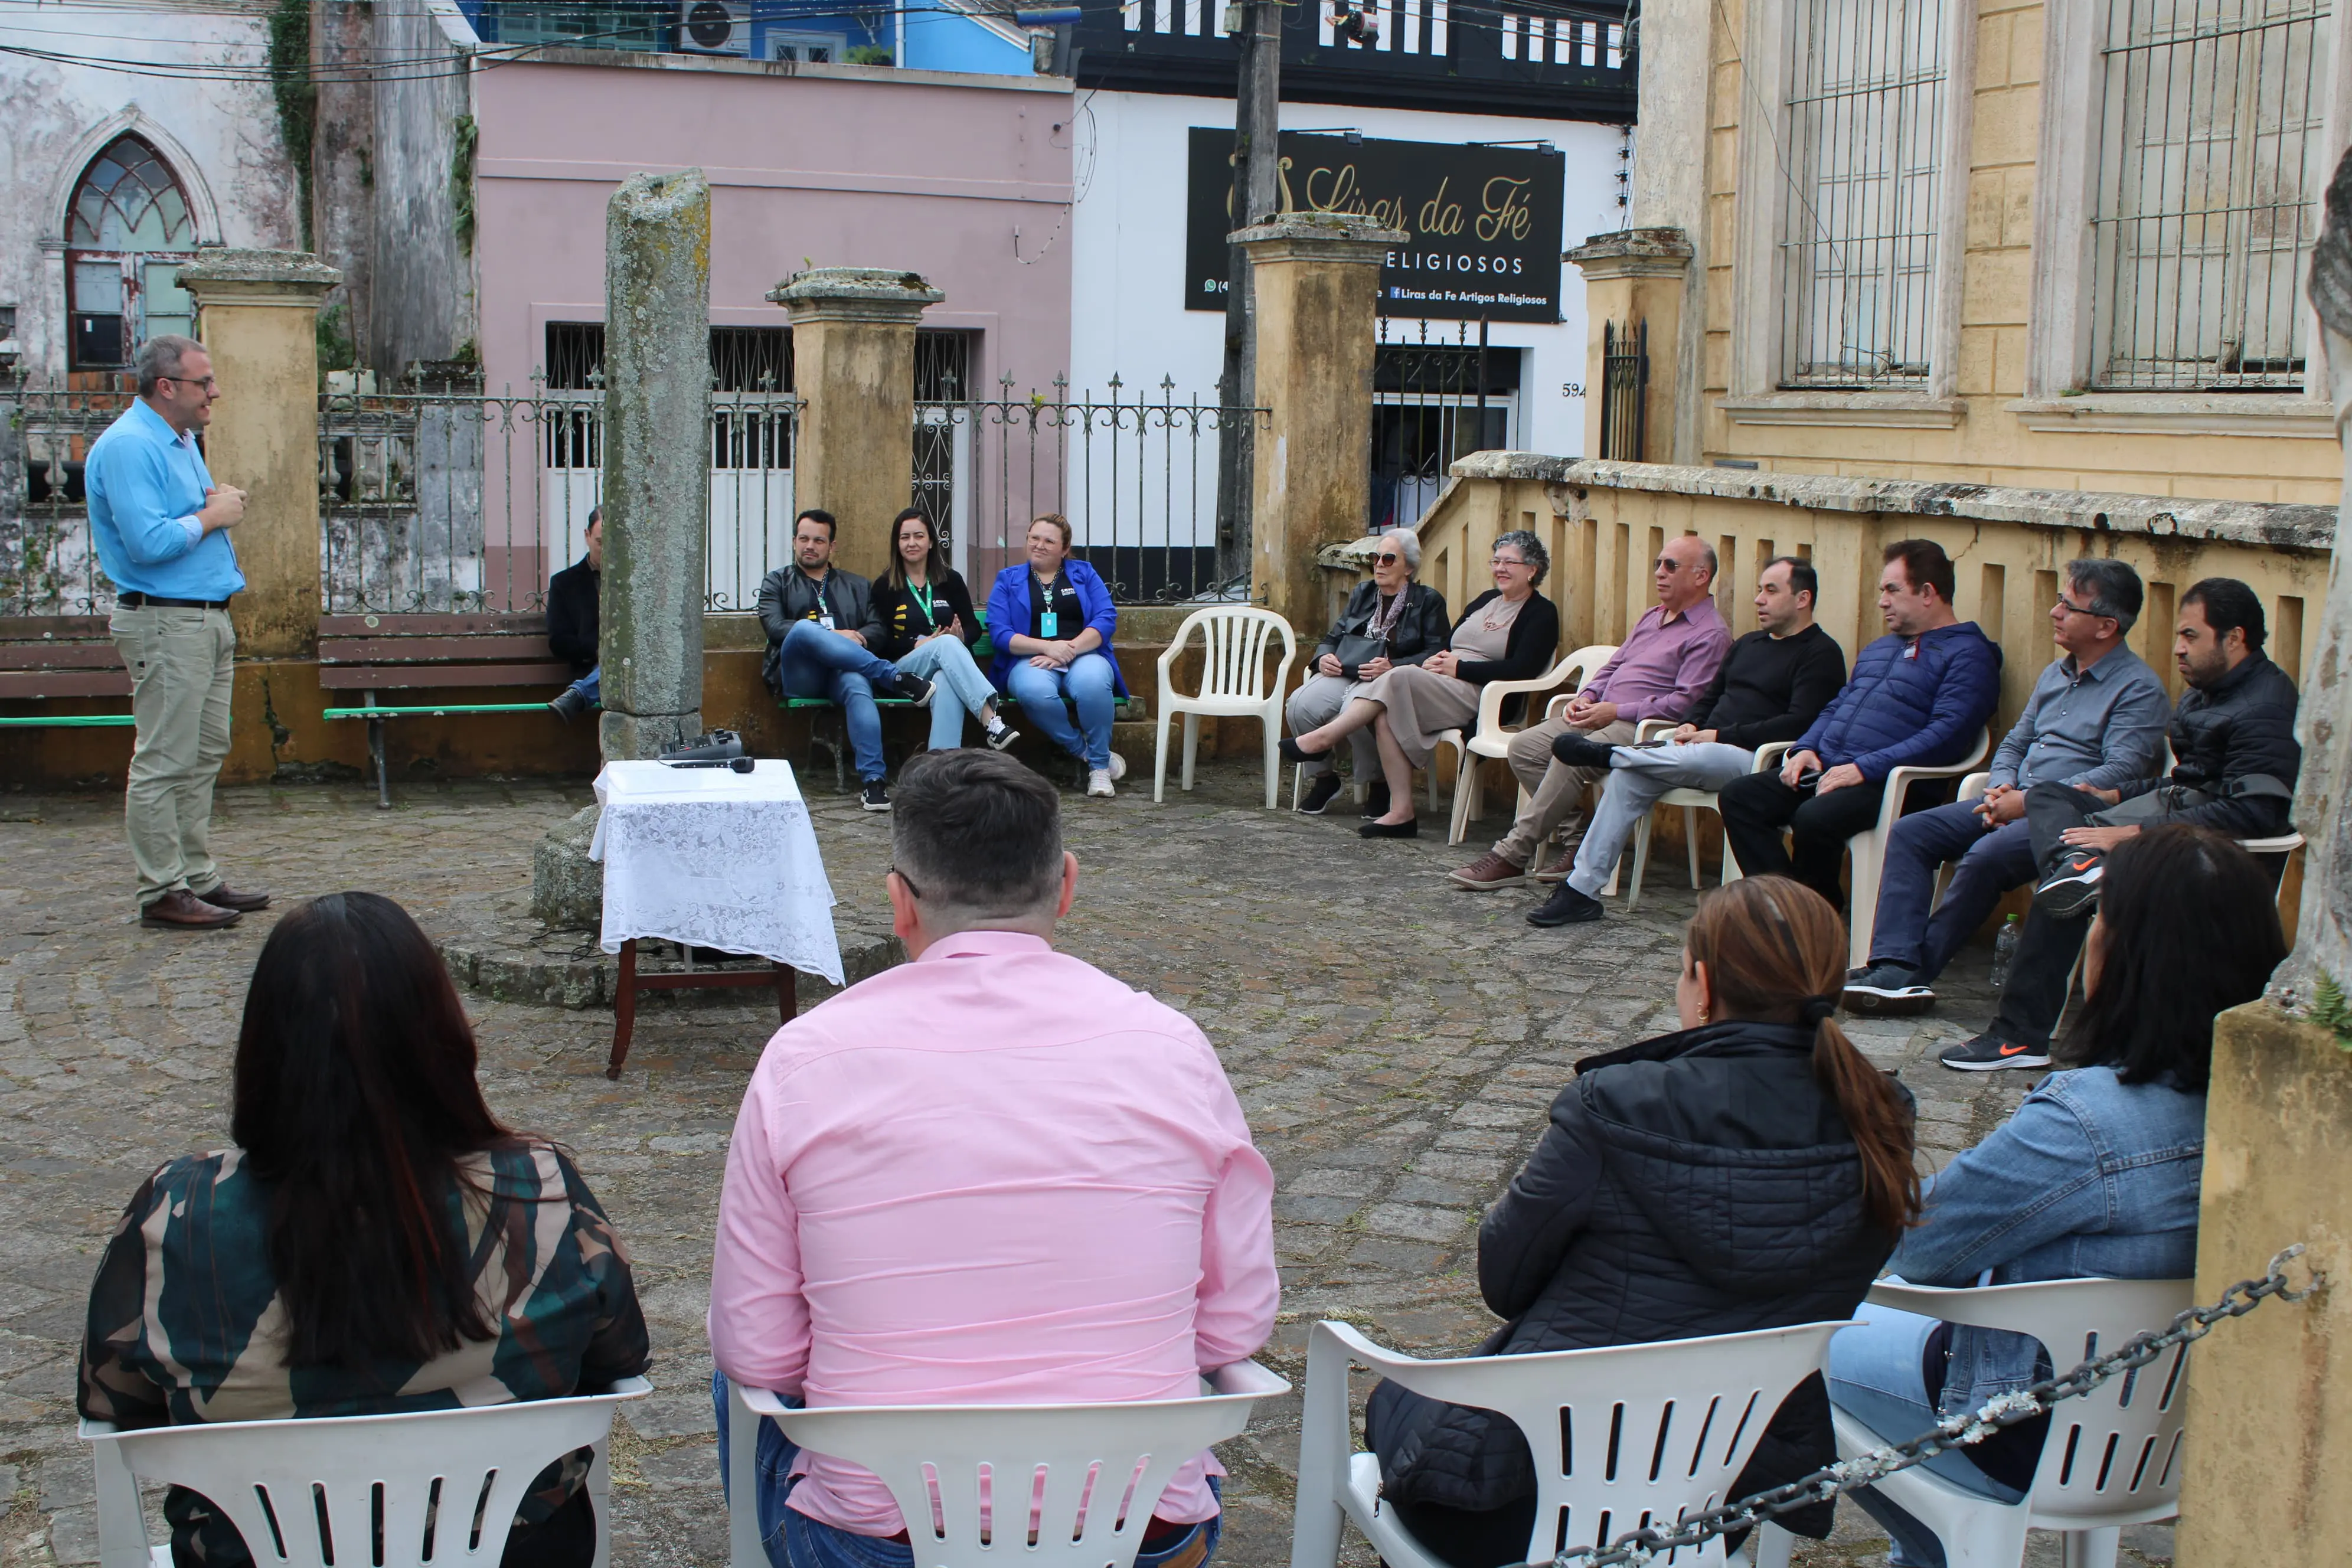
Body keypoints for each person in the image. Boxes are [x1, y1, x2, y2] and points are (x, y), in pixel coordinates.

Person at [709, 749, 1278, 1568]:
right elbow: (1231, 1329)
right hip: (1138, 1530)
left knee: (737, 1372)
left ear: (900, 901)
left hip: (885, 1535)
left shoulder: (805, 1057)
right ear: (1067, 885)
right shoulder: (1173, 1049)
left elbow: (759, 1351)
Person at [79, 892, 649, 1568]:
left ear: (262, 1048)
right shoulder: (539, 1188)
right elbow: (618, 1358)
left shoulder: (175, 1212)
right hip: (509, 1551)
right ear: (443, 1038)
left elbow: (114, 1402)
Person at [1364, 877, 1917, 1568]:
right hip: (1714, 1500)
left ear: (1703, 985)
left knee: (1395, 1406)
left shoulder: (1614, 1103)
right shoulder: (1881, 1113)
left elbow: (1505, 1282)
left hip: (1517, 1502)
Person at [1830, 827, 2286, 1568]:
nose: (2089, 939)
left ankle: (1929, 1550)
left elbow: (1920, 1245)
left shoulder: (2087, 1121)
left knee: (1797, 1335)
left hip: (2023, 1429)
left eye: (2101, 920)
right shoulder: (2276, 1117)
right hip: (2169, 1430)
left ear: (2135, 957)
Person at [1938, 577, 2301, 1071]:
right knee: (2048, 795)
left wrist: (2134, 834)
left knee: (2059, 890)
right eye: (2179, 636)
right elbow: (2184, 782)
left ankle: (2019, 1036)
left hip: (2214, 852)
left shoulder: (2265, 708)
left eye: (2191, 636)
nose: (2178, 649)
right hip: (2174, 816)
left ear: (2234, 638)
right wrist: (2114, 796)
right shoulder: (2209, 690)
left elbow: (2253, 813)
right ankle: (2078, 867)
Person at [1844, 558, 2168, 1014]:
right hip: (2010, 799)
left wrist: (2029, 802)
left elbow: (2120, 773)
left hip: (2071, 818)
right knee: (1912, 832)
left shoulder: (2138, 689)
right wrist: (2001, 787)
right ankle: (1892, 961)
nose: (2055, 612)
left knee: (1985, 857)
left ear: (2106, 626)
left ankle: (1913, 974)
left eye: (2069, 606)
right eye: (2059, 600)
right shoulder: (2055, 674)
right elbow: (2016, 741)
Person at [1505, 555, 1848, 927]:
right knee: (1628, 777)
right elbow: (1709, 697)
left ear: (1802, 598)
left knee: (1684, 758)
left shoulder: (1820, 653)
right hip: (1696, 747)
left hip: (1756, 759)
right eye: (1759, 590)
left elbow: (1800, 723)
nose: (1759, 599)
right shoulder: (1749, 643)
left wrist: (1719, 735)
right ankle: (1580, 892)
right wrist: (1690, 725)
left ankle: (1614, 755)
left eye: (1771, 591)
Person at [87, 333, 265, 930]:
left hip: (204, 617)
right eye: (203, 382)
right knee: (165, 757)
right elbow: (148, 542)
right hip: (166, 619)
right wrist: (214, 515)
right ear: (166, 386)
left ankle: (195, 875)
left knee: (205, 750)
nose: (215, 391)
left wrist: (216, 503)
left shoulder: (181, 439)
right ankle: (162, 889)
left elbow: (185, 515)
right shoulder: (130, 446)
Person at [1717, 539, 2001, 913]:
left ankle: (1814, 914)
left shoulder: (1970, 655)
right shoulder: (1881, 648)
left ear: (1927, 593)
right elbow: (1838, 705)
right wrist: (1806, 748)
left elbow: (1948, 735)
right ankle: (1790, 907)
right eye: (1882, 590)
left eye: (1892, 590)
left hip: (1894, 784)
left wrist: (1865, 768)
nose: (1882, 601)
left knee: (1815, 817)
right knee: (1740, 797)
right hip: (1833, 769)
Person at [1448, 533, 1729, 887]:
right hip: (1602, 714)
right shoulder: (1653, 616)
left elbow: (1685, 703)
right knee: (1525, 747)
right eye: (1657, 564)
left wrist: (1616, 710)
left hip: (1648, 728)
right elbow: (1615, 665)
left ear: (1701, 576)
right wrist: (1589, 694)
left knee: (1572, 753)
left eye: (1670, 566)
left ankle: (1511, 856)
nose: (1659, 572)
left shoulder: (1710, 634)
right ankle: (1579, 839)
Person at [1280, 530, 1563, 839]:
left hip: (1483, 693)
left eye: (1509, 562)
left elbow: (1523, 669)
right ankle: (1401, 813)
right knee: (1385, 712)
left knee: (1397, 675)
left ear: (1532, 569)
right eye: (1496, 561)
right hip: (1442, 681)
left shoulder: (1541, 613)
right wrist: (1437, 662)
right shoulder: (1486, 601)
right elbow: (1448, 644)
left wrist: (1459, 668)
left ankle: (1323, 738)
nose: (1500, 569)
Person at [757, 509, 935, 812]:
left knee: (857, 685)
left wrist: (859, 638)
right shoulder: (777, 582)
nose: (810, 546)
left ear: (832, 546)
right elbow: (775, 627)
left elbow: (878, 628)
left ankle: (874, 783)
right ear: (794, 541)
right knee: (803, 629)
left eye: (818, 540)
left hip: (845, 671)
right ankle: (895, 677)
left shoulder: (857, 586)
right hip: (802, 674)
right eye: (804, 539)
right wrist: (837, 635)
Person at [1289, 527, 1453, 817]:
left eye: (1388, 559)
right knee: (1299, 705)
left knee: (1356, 713)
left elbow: (1436, 652)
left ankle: (1380, 784)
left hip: (1387, 679)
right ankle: (1325, 779)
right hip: (1347, 670)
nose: (1379, 565)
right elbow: (1333, 636)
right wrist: (1323, 657)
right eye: (1375, 558)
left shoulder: (1428, 601)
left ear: (1409, 568)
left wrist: (1394, 666)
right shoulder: (1363, 593)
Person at [984, 513, 1130, 798]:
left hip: (1083, 654)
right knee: (1034, 692)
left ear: (1064, 549)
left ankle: (1100, 771)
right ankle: (1086, 752)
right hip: (1030, 659)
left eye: (1049, 541)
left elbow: (1105, 619)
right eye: (1034, 538)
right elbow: (1000, 633)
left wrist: (1069, 649)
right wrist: (1047, 647)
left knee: (1093, 684)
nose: (1039, 545)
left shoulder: (1084, 574)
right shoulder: (1008, 580)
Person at [870, 507, 1018, 752]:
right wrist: (917, 644)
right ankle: (991, 720)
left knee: (945, 679)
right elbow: (879, 640)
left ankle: (940, 763)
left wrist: (962, 636)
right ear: (897, 544)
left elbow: (972, 626)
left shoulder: (950, 580)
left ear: (931, 542)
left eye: (919, 536)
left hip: (948, 666)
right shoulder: (885, 586)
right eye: (905, 537)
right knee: (947, 644)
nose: (912, 543)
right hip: (904, 672)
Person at [547, 507, 602, 723]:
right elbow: (559, 641)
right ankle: (583, 690)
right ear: (587, 536)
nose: (607, 550)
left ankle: (579, 695)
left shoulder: (636, 582)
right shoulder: (564, 583)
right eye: (600, 542)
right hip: (589, 668)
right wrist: (595, 651)